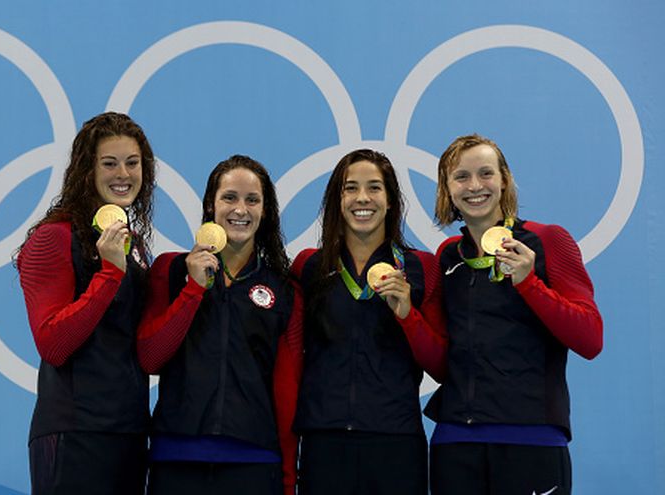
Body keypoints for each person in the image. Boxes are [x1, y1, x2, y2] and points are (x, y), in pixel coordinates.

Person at [426, 134, 603, 495]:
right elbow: (442, 360)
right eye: (461, 177)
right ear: (447, 188)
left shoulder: (546, 240)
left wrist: (528, 283)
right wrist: (405, 316)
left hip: (532, 438)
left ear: (504, 180)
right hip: (455, 441)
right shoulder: (447, 256)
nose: (475, 186)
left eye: (485, 173)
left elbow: (590, 339)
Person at [137, 155, 302, 495]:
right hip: (176, 461)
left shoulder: (284, 290)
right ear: (211, 205)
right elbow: (150, 358)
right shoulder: (171, 271)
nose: (240, 209)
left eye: (252, 200)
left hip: (255, 462)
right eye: (229, 197)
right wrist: (193, 289)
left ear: (265, 211)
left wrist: (288, 478)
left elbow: (287, 389)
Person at [290, 149, 446, 495]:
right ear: (337, 200)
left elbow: (441, 366)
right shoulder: (308, 266)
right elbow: (289, 359)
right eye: (351, 188)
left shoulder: (421, 267)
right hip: (324, 442)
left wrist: (408, 316)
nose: (363, 198)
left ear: (390, 201)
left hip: (395, 442)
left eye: (374, 187)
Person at [15, 112, 156, 495]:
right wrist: (109, 274)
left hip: (129, 431)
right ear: (86, 170)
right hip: (74, 432)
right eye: (109, 163)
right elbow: (53, 344)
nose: (123, 174)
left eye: (132, 163)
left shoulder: (134, 246)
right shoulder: (53, 237)